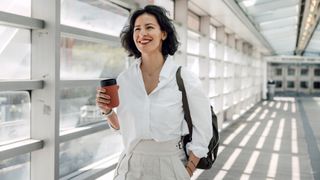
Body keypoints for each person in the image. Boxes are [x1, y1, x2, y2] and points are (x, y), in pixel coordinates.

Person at [96, 5, 212, 180]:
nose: (142, 33)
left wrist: (187, 171)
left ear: (163, 34)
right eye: (137, 29)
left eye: (149, 27)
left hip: (170, 164)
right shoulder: (124, 80)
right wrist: (107, 111)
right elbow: (123, 128)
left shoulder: (184, 78)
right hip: (130, 166)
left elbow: (203, 130)